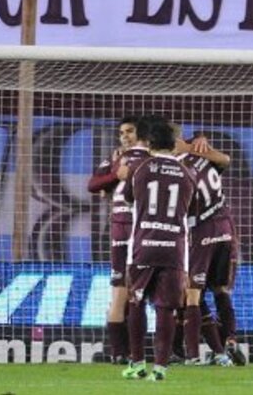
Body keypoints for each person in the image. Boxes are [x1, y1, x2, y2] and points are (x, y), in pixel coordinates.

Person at [120, 116, 197, 382]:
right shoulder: (189, 172)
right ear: (174, 143)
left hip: (143, 245)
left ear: (150, 142)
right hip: (174, 248)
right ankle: (161, 367)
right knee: (166, 309)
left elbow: (129, 199)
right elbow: (192, 211)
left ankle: (137, 362)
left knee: (136, 302)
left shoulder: (139, 168)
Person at [174, 129, 245, 366]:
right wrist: (196, 144)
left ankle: (196, 355)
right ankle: (230, 341)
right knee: (220, 290)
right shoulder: (203, 157)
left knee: (192, 294)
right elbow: (225, 159)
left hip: (199, 232)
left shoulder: (176, 168)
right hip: (225, 229)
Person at [87, 116, 150, 364]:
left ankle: (127, 351)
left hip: (134, 228)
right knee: (128, 292)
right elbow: (93, 184)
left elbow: (98, 186)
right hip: (130, 228)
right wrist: (116, 175)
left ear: (141, 135)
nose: (124, 136)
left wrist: (114, 179)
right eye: (122, 132)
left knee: (130, 292)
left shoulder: (141, 158)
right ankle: (123, 353)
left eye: (130, 131)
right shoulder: (116, 159)